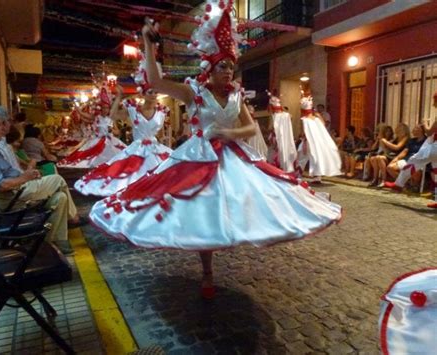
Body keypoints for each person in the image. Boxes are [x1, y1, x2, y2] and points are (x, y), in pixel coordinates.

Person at [89, 3, 342, 299]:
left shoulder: (236, 94)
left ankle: (226, 249)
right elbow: (156, 81)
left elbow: (250, 128)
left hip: (233, 157)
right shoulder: (192, 92)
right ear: (209, 66)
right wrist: (147, 40)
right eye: (223, 66)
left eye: (231, 66)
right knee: (202, 212)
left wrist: (227, 133)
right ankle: (207, 269)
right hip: (197, 158)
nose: (228, 71)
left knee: (249, 203)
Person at [0, 109, 85, 252]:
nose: (3, 127)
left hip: (13, 192)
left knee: (60, 198)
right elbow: (0, 185)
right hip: (6, 198)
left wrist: (27, 175)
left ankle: (52, 243)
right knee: (57, 180)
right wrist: (25, 177)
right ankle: (73, 218)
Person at [75, 58, 172, 197]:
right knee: (133, 178)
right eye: (150, 92)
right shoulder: (133, 109)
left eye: (155, 92)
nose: (154, 95)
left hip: (156, 149)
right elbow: (113, 116)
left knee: (161, 180)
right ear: (143, 94)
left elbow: (161, 133)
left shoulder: (162, 111)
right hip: (137, 149)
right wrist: (119, 97)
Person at [57, 85, 126, 168]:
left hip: (110, 140)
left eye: (107, 108)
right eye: (104, 108)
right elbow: (82, 114)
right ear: (100, 108)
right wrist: (75, 104)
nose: (106, 110)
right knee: (93, 160)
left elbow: (115, 109)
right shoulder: (96, 117)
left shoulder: (109, 117)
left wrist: (119, 96)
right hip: (98, 140)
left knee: (119, 158)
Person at [297, 95, 342, 183]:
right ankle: (317, 177)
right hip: (316, 143)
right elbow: (323, 126)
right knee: (316, 158)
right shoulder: (316, 119)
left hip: (308, 142)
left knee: (302, 156)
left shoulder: (305, 119)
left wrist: (304, 139)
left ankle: (298, 174)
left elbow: (304, 132)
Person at [369, 123, 410, 187]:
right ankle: (375, 178)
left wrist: (385, 141)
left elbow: (397, 147)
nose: (397, 129)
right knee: (375, 158)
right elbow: (387, 147)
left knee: (379, 158)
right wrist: (381, 141)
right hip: (391, 155)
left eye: (399, 127)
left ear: (403, 129)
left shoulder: (405, 138)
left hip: (398, 157)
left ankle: (383, 180)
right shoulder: (396, 138)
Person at [267, 93, 297, 173]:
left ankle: (276, 168)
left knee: (275, 154)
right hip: (282, 139)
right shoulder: (286, 115)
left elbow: (271, 128)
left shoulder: (277, 116)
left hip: (277, 139)